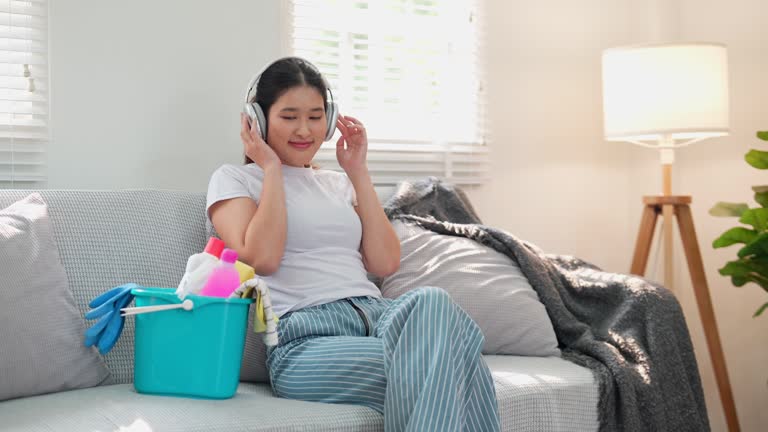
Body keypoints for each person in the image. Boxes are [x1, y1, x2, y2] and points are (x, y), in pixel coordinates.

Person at [206, 56, 500, 432]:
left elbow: (384, 262)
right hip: (306, 341)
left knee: (433, 303)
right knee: (458, 359)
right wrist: (272, 170)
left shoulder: (340, 184)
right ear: (258, 120)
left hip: (381, 321)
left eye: (315, 117)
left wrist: (358, 171)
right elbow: (262, 257)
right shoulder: (235, 180)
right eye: (289, 116)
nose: (304, 129)